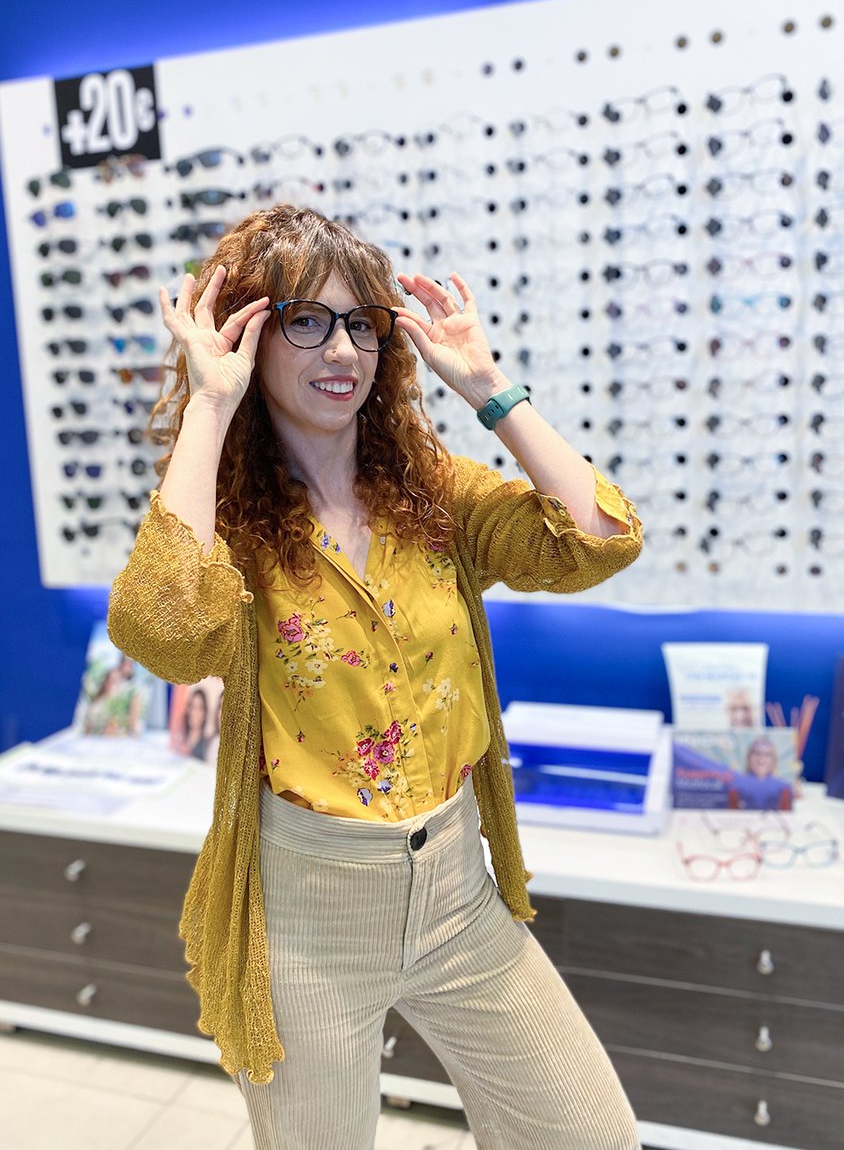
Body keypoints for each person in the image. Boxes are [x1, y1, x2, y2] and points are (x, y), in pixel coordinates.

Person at [107, 205, 644, 1150]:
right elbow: (166, 635)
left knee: (590, 1136)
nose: (341, 348)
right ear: (250, 331)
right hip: (308, 915)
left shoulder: (433, 494)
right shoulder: (228, 530)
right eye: (305, 320)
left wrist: (488, 388)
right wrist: (209, 405)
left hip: (457, 895)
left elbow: (599, 539)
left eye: (362, 322)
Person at [727, 735, 792, 810]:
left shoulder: (784, 788)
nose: (761, 758)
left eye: (767, 754)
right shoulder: (736, 786)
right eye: (757, 753)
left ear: (773, 760)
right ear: (749, 757)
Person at [171, 685, 210, 760]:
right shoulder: (180, 738)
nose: (195, 713)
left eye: (200, 708)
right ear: (188, 710)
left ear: (205, 713)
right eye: (193, 707)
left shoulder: (208, 744)